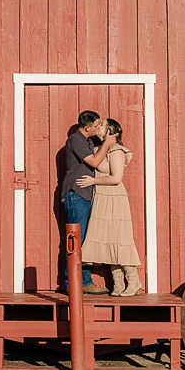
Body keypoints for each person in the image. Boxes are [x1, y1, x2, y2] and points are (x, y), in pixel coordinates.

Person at [76, 118, 143, 297]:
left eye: (103, 125)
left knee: (119, 239)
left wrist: (93, 181)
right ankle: (119, 283)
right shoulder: (98, 150)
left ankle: (134, 281)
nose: (99, 126)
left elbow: (116, 178)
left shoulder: (116, 150)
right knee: (108, 240)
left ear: (111, 131)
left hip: (114, 197)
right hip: (101, 198)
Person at [61, 110, 118, 294]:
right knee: (77, 239)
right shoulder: (76, 140)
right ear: (87, 127)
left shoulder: (87, 141)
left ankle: (81, 280)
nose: (98, 128)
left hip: (84, 195)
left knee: (83, 239)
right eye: (96, 125)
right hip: (76, 194)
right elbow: (93, 162)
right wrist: (108, 144)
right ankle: (78, 283)